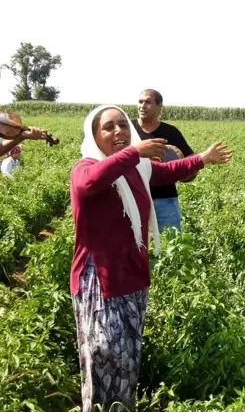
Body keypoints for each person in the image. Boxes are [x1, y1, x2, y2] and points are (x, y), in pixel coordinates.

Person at [70, 105, 232, 412]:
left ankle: (123, 406)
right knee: (103, 352)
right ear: (94, 136)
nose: (119, 131)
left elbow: (166, 172)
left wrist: (202, 159)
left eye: (123, 125)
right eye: (108, 127)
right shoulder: (85, 168)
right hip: (99, 279)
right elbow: (89, 183)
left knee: (128, 352)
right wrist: (134, 153)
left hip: (131, 272)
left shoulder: (135, 167)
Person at [132, 89, 194, 231]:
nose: (142, 106)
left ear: (159, 106)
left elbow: (189, 158)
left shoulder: (170, 132)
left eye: (148, 102)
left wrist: (188, 170)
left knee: (170, 246)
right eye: (140, 101)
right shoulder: (128, 129)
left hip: (165, 200)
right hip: (133, 199)